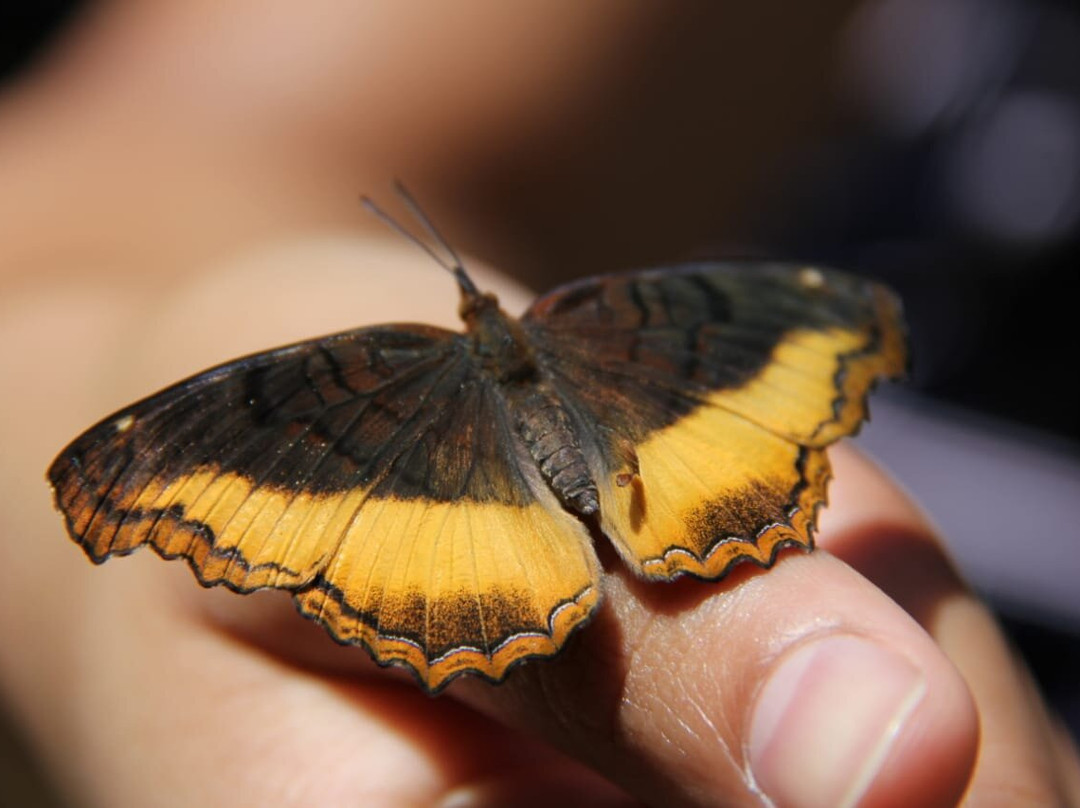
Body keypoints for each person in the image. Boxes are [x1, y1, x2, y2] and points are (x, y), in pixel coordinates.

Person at [1, 3, 1077, 806]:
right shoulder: (623, 315)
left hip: (481, 503)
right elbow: (153, 155)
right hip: (632, 463)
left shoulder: (411, 359)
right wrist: (81, 617)